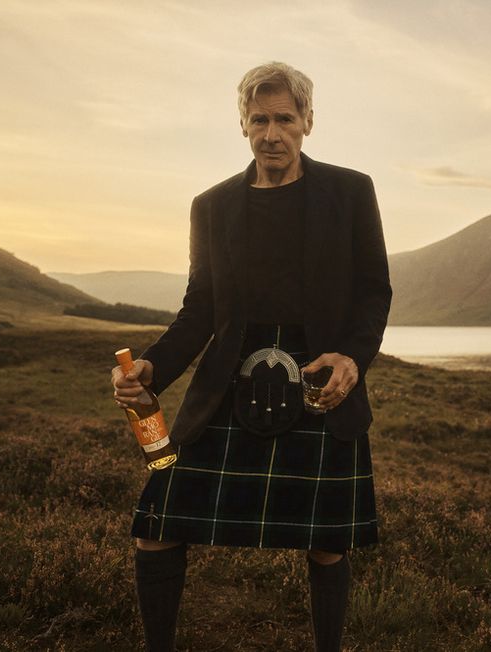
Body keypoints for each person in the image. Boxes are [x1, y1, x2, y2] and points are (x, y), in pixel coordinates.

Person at [111, 61, 392, 652]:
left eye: (285, 119)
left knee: (326, 540)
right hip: (229, 383)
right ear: (242, 123)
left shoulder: (350, 191)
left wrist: (352, 356)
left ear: (307, 122)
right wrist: (153, 368)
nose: (272, 133)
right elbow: (200, 308)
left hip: (316, 378)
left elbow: (374, 291)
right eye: (259, 119)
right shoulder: (211, 206)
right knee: (157, 525)